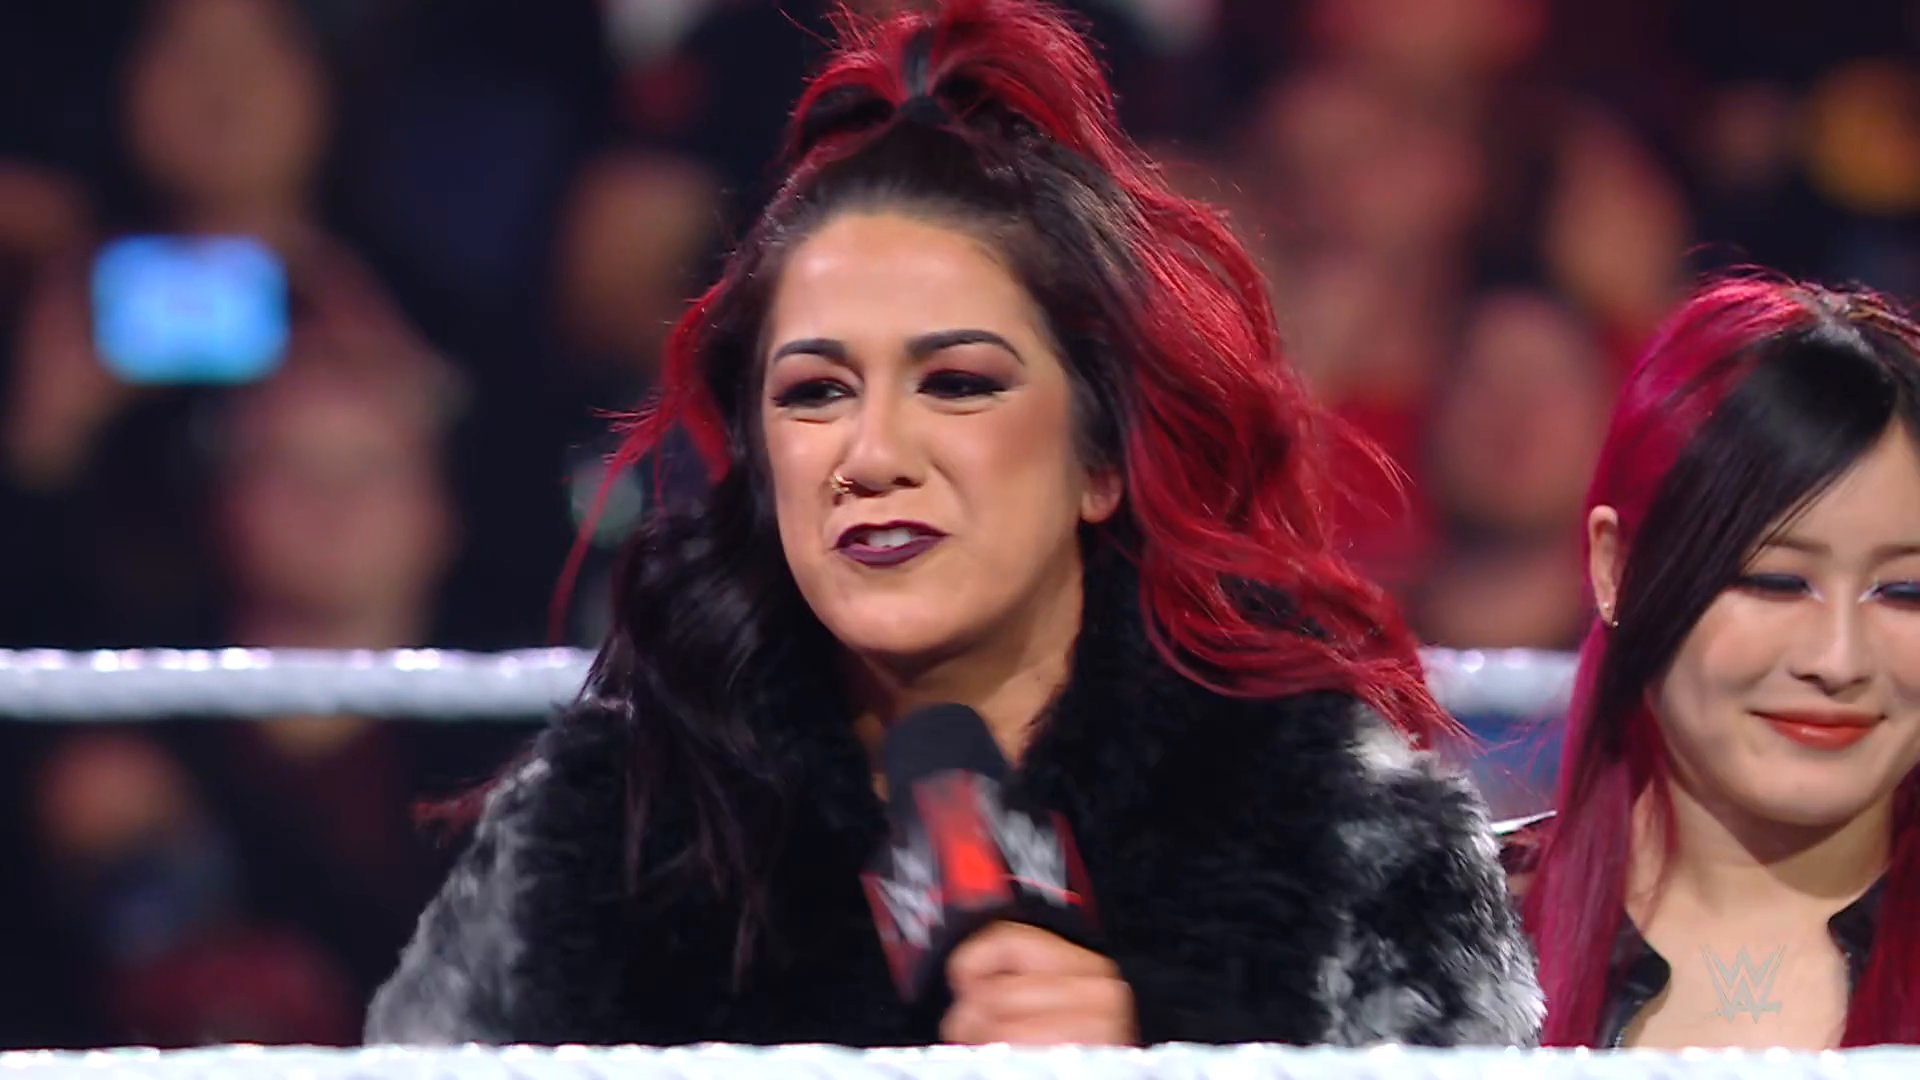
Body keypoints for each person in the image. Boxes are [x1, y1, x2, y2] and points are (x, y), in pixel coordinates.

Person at [366, 0, 1541, 1049]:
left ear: (1100, 458)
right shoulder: (602, 830)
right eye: (815, 392)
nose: (873, 454)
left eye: (959, 383)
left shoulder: (1339, 829)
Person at [1514, 278, 1920, 1047]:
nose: (1838, 660)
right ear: (1616, 569)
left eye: (1905, 592)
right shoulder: (1428, 937)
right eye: (1776, 582)